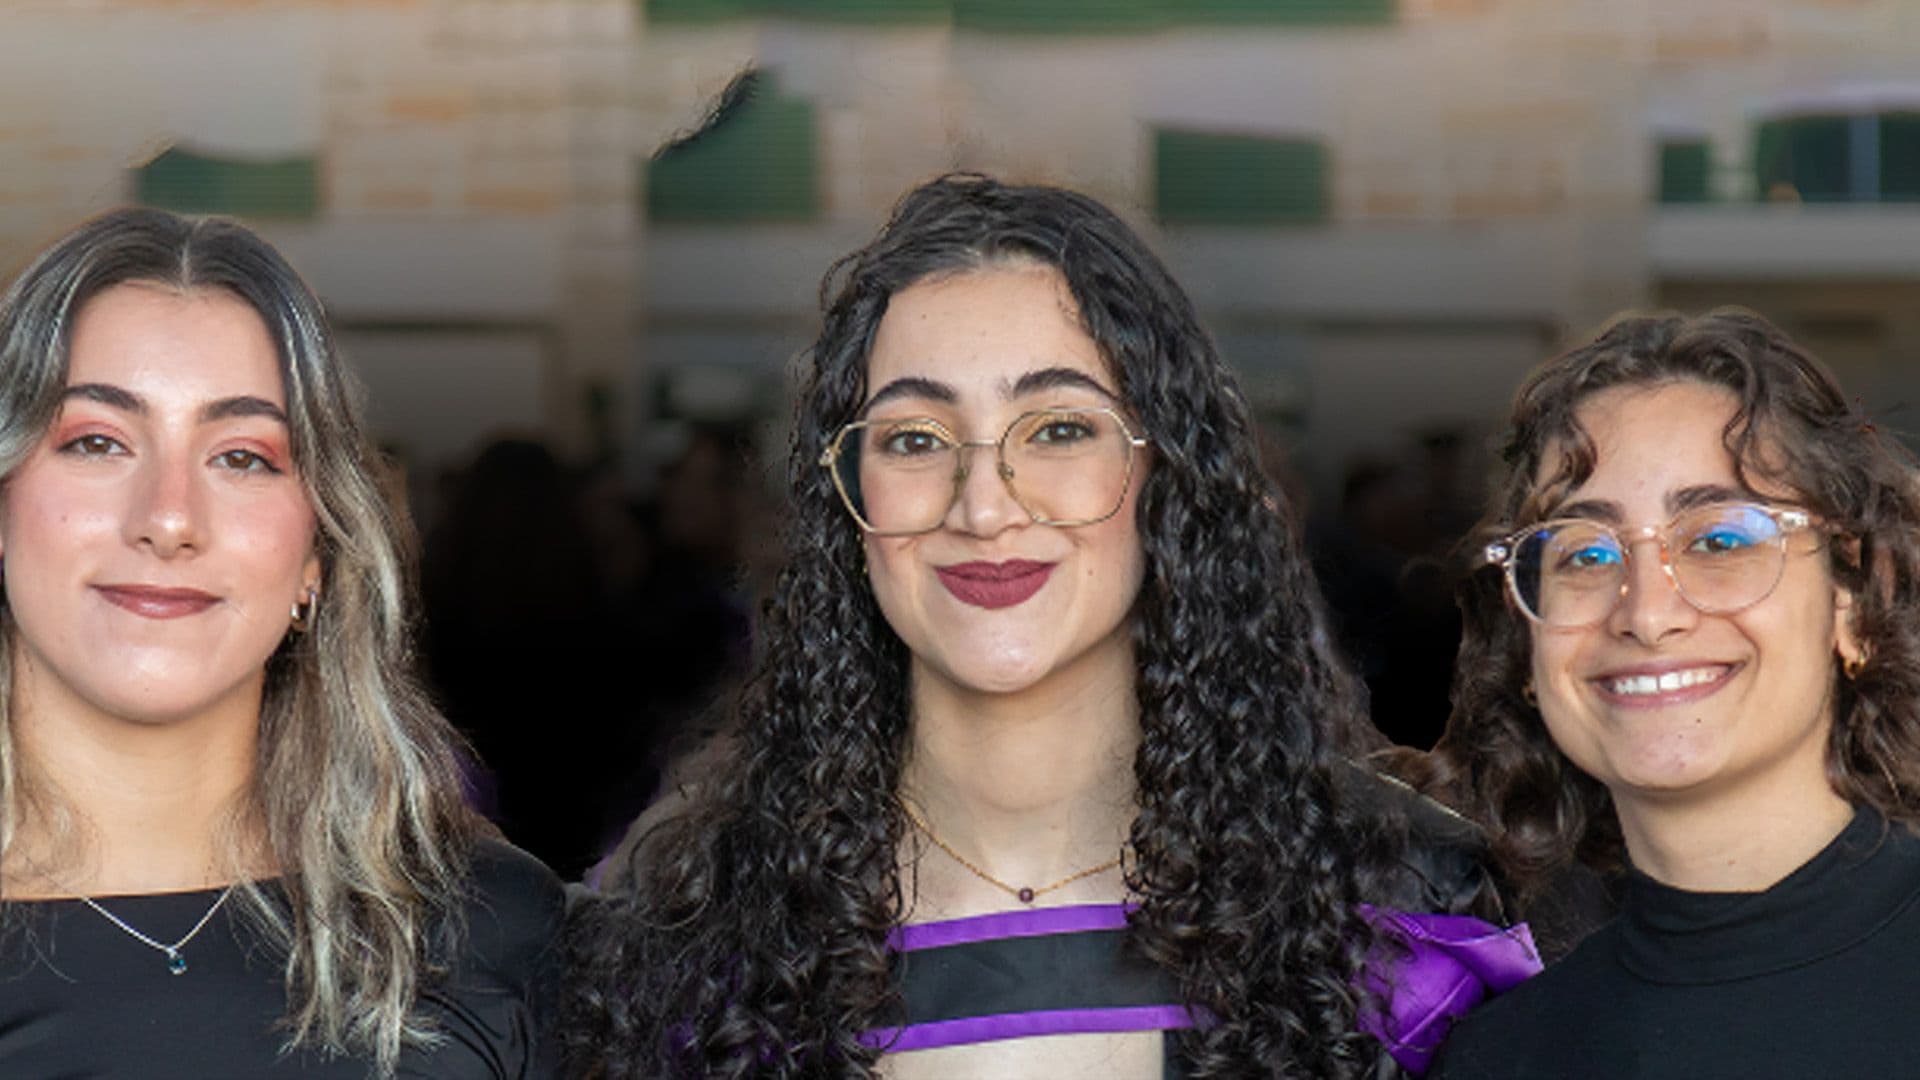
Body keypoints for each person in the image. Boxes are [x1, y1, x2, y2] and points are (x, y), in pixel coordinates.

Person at [569, 174, 1538, 1079]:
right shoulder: (686, 937)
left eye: (1060, 428)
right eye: (914, 438)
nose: (983, 506)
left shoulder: (1402, 924)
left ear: (1165, 477)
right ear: (845, 495)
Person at [0, 208, 564, 1077]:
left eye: (242, 457)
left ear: (316, 555)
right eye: (98, 441)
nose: (169, 518)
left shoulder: (494, 928)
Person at [1426, 311, 1920, 1077]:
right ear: (1527, 646)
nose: (1648, 614)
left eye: (1721, 540)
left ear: (1852, 602)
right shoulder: (1504, 1056)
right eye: (1584, 553)